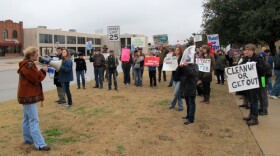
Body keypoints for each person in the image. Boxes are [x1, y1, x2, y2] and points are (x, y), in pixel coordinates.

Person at [17, 46, 51, 151]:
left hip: (26, 96)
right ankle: (40, 145)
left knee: (27, 119)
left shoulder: (27, 64)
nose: (38, 55)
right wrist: (44, 71)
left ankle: (28, 140)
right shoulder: (29, 65)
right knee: (34, 120)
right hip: (29, 96)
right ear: (31, 56)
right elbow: (36, 78)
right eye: (36, 54)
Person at [242, 44, 266, 126]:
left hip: (255, 82)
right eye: (246, 50)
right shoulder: (246, 59)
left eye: (248, 50)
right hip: (248, 83)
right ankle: (251, 115)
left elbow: (263, 69)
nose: (246, 51)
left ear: (253, 50)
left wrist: (254, 65)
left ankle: (255, 118)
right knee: (251, 100)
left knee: (254, 100)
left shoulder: (258, 58)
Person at [181, 61, 199, 125]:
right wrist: (180, 67)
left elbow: (193, 74)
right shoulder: (185, 65)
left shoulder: (195, 65)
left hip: (191, 86)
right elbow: (179, 73)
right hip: (185, 86)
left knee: (191, 103)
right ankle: (188, 115)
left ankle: (191, 119)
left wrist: (187, 66)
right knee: (187, 102)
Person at [169, 46, 184, 111]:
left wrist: (182, 66)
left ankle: (172, 104)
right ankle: (180, 106)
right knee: (177, 93)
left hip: (180, 78)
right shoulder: (173, 58)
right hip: (174, 77)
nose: (176, 51)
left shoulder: (182, 58)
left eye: (177, 50)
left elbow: (185, 68)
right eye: (175, 50)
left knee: (175, 93)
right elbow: (170, 66)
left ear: (180, 51)